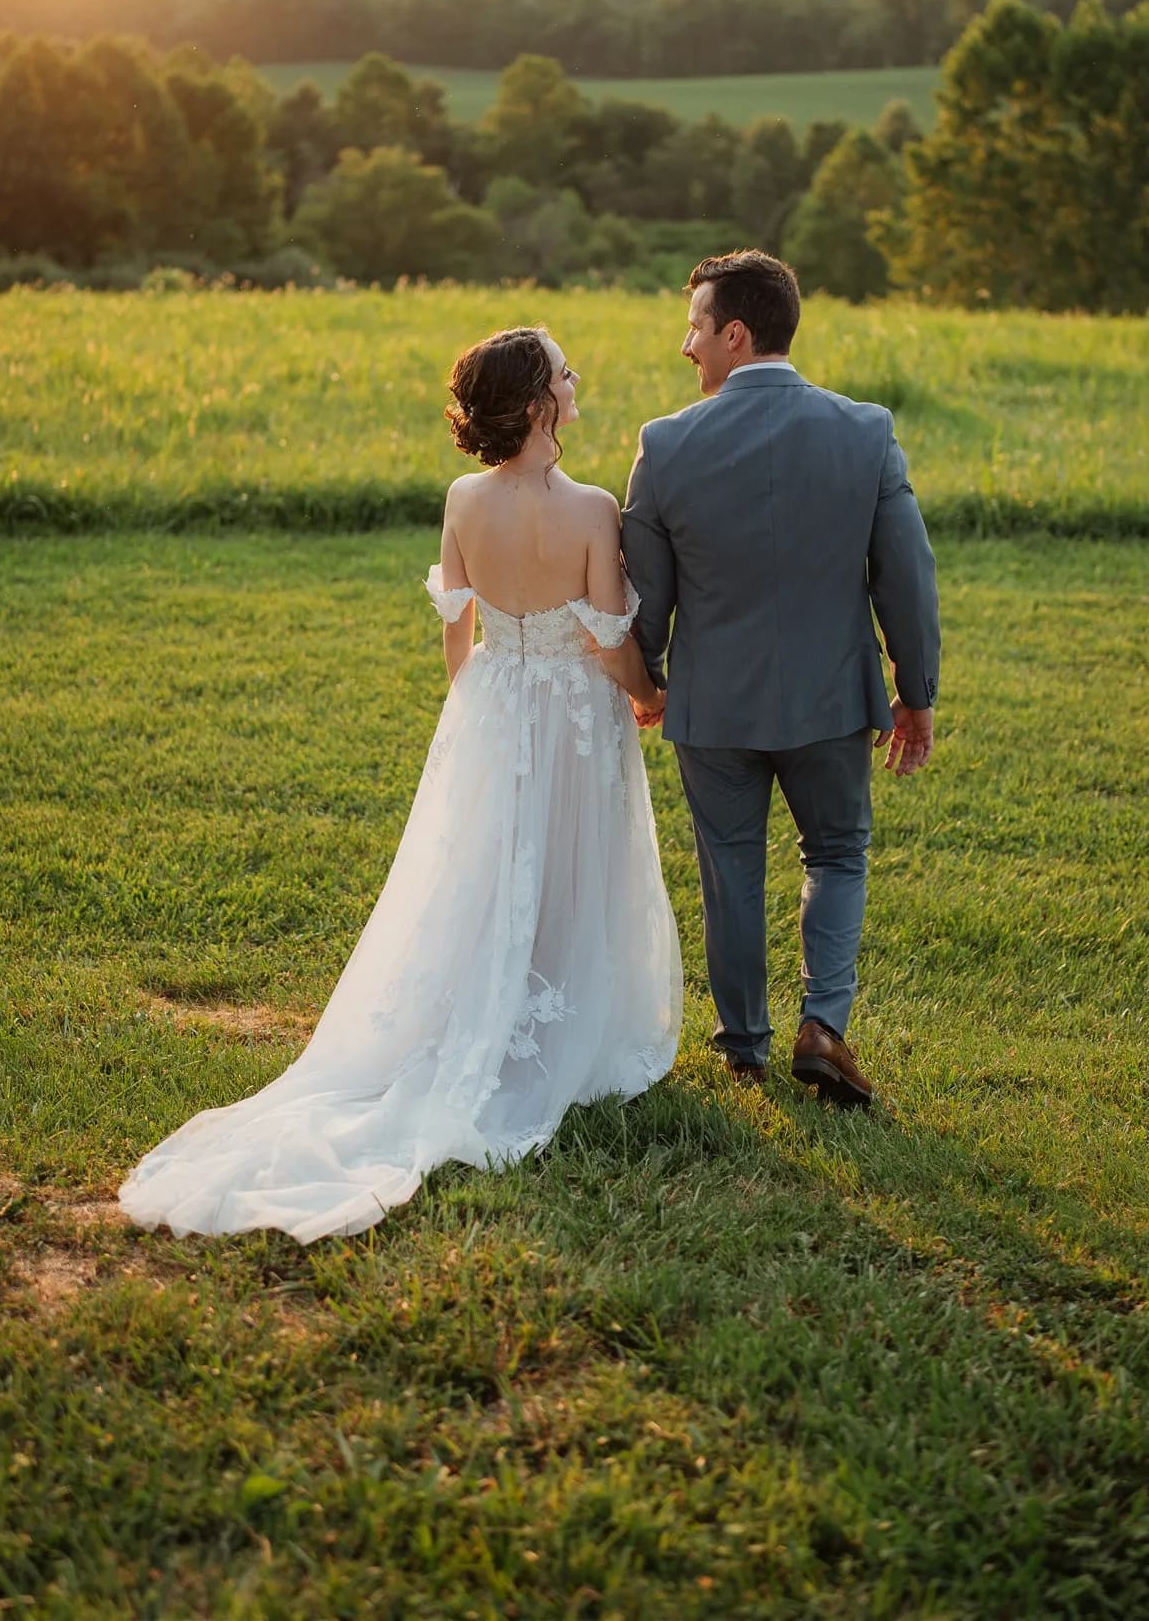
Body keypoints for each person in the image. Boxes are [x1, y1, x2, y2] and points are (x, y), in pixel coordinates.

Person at [119, 328, 682, 1242]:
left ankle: (488, 1001)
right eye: (564, 371)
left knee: (486, 865)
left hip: (494, 703)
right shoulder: (590, 509)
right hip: (575, 709)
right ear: (538, 403)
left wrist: (477, 713)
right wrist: (649, 696)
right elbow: (604, 636)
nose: (578, 380)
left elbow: (457, 630)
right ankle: (561, 1016)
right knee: (578, 857)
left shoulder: (463, 499)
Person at [620, 251, 940, 1108]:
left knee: (729, 864)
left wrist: (646, 680)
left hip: (712, 702)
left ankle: (744, 1051)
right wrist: (916, 693)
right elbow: (906, 578)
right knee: (836, 854)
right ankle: (823, 1027)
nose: (685, 345)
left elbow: (643, 601)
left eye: (694, 326)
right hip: (831, 696)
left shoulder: (664, 444)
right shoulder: (864, 429)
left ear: (734, 332)